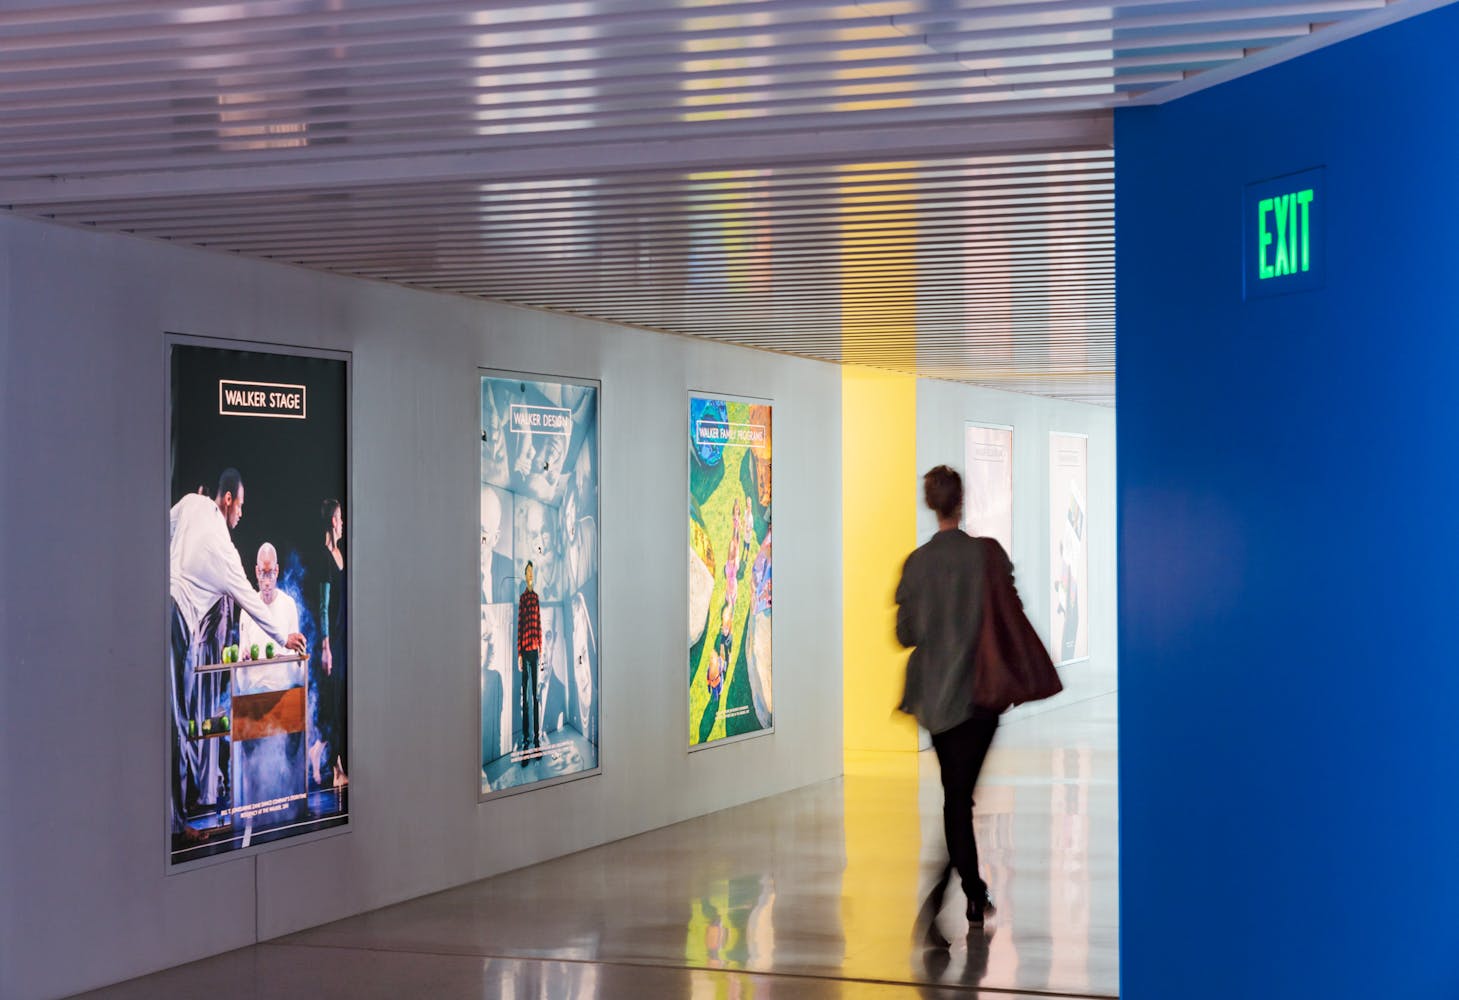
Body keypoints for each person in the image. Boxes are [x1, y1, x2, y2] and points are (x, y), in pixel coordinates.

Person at [895, 465, 1013, 932]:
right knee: (958, 800)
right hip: (981, 698)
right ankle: (963, 893)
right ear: (961, 502)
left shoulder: (917, 563)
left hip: (939, 702)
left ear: (931, 504)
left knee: (955, 798)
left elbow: (905, 634)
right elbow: (1008, 615)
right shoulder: (986, 556)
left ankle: (964, 893)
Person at [169, 469, 306, 837]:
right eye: (240, 505)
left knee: (164, 717)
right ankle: (176, 825)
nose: (242, 514)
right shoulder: (225, 550)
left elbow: (164, 529)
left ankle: (170, 821)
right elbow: (249, 600)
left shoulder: (191, 503)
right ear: (228, 499)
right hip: (179, 620)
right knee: (179, 722)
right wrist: (285, 637)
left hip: (160, 606)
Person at [311, 499, 348, 789]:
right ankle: (331, 763)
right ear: (331, 521)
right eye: (340, 517)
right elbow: (322, 606)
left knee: (341, 700)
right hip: (332, 641)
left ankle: (327, 755)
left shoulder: (339, 553)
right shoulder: (323, 557)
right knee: (335, 701)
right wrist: (326, 647)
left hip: (344, 634)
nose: (343, 522)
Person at [237, 542, 304, 694]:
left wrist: (289, 657)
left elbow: (296, 663)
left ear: (277, 570)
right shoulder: (247, 608)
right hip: (254, 694)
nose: (266, 581)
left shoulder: (288, 605)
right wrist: (244, 659)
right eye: (262, 573)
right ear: (256, 571)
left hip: (283, 692)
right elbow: (241, 676)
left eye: (270, 573)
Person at [517, 560, 542, 762]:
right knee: (525, 699)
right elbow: (519, 627)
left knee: (535, 697)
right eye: (528, 572)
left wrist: (540, 647)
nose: (530, 575)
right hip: (525, 653)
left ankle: (537, 742)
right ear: (524, 576)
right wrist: (519, 653)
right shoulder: (523, 598)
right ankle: (525, 744)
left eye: (532, 572)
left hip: (535, 652)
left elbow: (539, 624)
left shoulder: (536, 598)